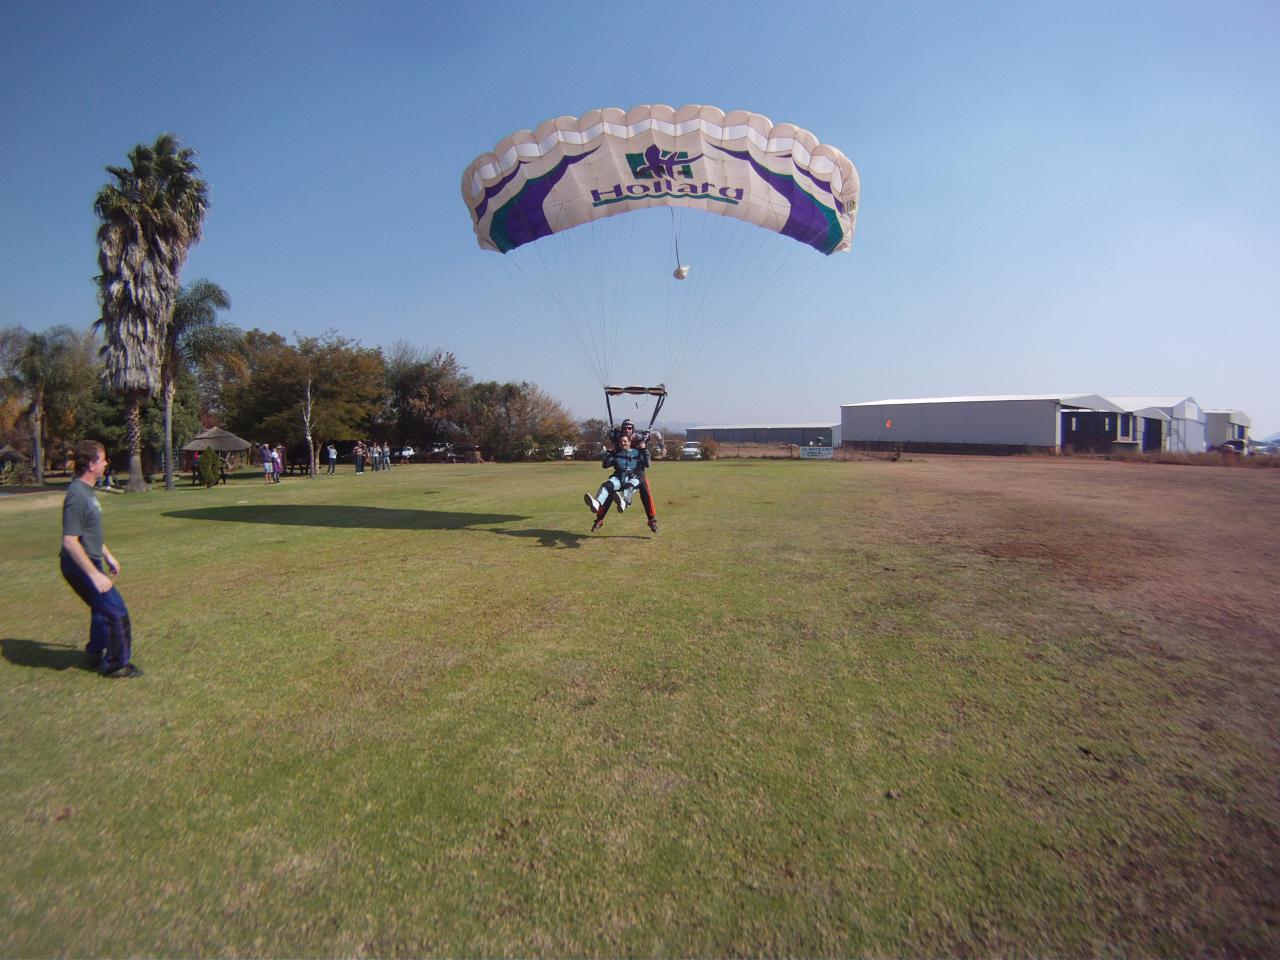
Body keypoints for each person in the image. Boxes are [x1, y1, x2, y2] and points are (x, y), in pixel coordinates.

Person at [59, 440, 140, 678]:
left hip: (91, 560)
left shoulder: (86, 491)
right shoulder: (76, 495)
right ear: (92, 463)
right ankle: (117, 665)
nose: (106, 463)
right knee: (116, 610)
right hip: (79, 565)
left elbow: (90, 532)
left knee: (100, 610)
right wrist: (94, 574)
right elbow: (70, 540)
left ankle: (94, 654)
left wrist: (108, 556)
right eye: (103, 459)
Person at [585, 431, 649, 532]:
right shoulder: (616, 454)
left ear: (630, 442)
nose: (623, 443)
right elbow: (605, 465)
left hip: (633, 478)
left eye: (625, 441)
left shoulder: (637, 452)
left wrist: (644, 449)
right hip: (619, 478)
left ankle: (624, 502)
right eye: (620, 442)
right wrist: (609, 453)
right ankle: (597, 503)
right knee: (608, 485)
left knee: (629, 486)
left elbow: (647, 464)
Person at [618, 419, 659, 533]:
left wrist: (660, 444)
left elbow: (656, 434)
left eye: (629, 428)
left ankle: (651, 520)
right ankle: (599, 519)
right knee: (610, 487)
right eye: (625, 428)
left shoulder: (640, 438)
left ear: (633, 429)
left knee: (646, 493)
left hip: (639, 471)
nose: (627, 430)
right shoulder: (619, 439)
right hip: (623, 471)